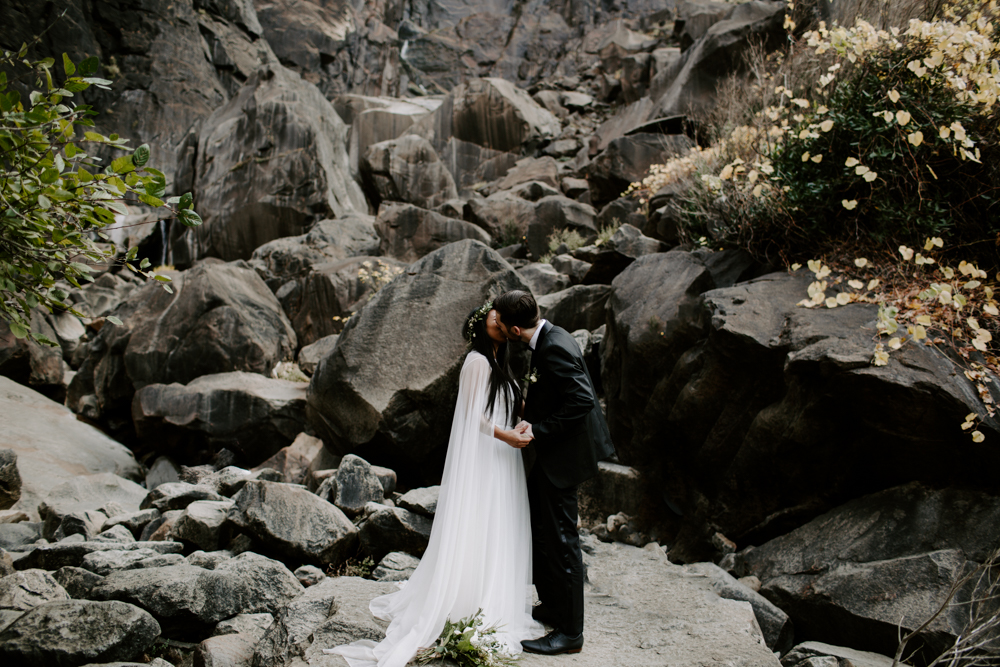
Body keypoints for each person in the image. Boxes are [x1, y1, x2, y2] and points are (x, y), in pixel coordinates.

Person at [325, 300, 543, 667]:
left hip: (502, 457)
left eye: (502, 319)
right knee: (481, 521)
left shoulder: (500, 364)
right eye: (493, 318)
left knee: (497, 524)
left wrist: (522, 422)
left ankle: (490, 591)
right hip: (490, 456)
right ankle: (469, 597)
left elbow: (506, 407)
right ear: (482, 327)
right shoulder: (476, 362)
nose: (500, 321)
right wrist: (507, 437)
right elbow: (472, 417)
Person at [493, 289, 615, 656]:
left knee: (564, 542)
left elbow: (581, 399)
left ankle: (570, 633)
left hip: (564, 458)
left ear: (515, 330)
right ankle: (554, 605)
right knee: (542, 530)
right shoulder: (550, 335)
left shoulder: (554, 346)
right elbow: (558, 391)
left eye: (500, 323)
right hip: (554, 455)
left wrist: (539, 430)